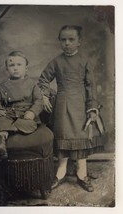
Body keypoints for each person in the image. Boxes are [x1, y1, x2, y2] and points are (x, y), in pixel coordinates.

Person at [39, 25, 104, 192]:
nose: (67, 43)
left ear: (79, 42)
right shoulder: (56, 61)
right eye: (63, 40)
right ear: (60, 41)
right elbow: (44, 80)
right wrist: (45, 95)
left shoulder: (85, 61)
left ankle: (82, 175)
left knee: (81, 138)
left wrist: (91, 107)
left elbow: (91, 86)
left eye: (71, 39)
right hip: (62, 105)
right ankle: (60, 174)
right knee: (63, 136)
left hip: (81, 105)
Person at [0, 51, 43, 159]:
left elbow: (39, 100)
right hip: (9, 114)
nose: (15, 68)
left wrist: (32, 112)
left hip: (25, 114)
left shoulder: (32, 84)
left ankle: (1, 130)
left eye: (19, 65)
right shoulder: (2, 86)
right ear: (7, 70)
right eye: (11, 65)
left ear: (26, 68)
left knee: (29, 124)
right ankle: (1, 145)